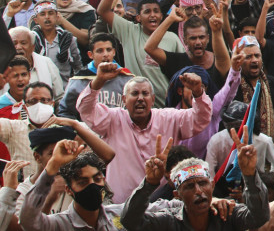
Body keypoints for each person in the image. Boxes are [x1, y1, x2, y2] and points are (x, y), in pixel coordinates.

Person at [76, 63, 212, 202]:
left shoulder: (170, 118)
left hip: (164, 205)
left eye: (145, 94)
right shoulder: (112, 118)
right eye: (134, 93)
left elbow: (201, 118)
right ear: (124, 100)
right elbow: (85, 110)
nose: (140, 98)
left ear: (153, 100)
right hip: (120, 206)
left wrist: (197, 92)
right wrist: (99, 80)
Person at [120, 129, 270, 230]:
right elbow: (129, 222)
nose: (198, 191)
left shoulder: (226, 214)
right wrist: (149, 183)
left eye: (202, 183)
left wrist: (249, 175)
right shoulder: (169, 221)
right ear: (177, 195)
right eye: (189, 186)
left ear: (212, 186)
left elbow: (259, 217)